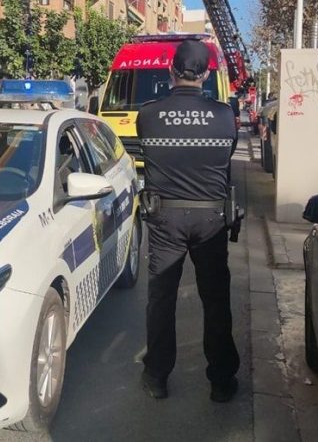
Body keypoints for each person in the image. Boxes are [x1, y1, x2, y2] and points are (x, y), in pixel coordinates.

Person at [137, 39, 240, 403]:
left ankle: (157, 377)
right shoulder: (225, 116)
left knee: (161, 299)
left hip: (165, 217)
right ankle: (222, 381)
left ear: (170, 70)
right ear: (208, 74)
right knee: (215, 299)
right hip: (212, 218)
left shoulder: (148, 114)